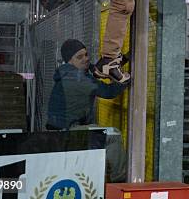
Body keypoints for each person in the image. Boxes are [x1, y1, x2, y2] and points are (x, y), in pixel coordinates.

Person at [46, 39, 128, 182]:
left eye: (86, 54)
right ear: (69, 61)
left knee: (97, 130)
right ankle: (119, 183)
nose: (86, 58)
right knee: (113, 135)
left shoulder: (69, 73)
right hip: (68, 134)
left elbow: (93, 68)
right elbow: (109, 92)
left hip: (61, 132)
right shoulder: (76, 78)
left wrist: (124, 59)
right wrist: (125, 79)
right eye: (80, 57)